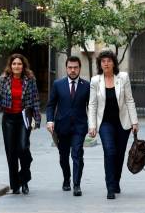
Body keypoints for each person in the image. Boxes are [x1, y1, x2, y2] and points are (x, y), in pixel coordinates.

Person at [88, 50, 139, 199]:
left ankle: (116, 181)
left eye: (109, 60)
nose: (106, 63)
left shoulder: (123, 78)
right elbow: (92, 104)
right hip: (104, 123)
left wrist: (134, 121)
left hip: (123, 122)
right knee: (109, 151)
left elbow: (129, 100)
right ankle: (110, 187)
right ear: (100, 64)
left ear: (114, 63)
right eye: (103, 61)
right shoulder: (95, 81)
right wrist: (92, 125)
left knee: (119, 154)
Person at [0, 53, 41, 195]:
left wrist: (37, 119)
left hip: (24, 118)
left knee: (23, 148)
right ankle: (16, 185)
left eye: (19, 64)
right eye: (14, 64)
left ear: (23, 66)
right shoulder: (3, 79)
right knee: (11, 152)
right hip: (9, 119)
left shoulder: (30, 79)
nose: (16, 66)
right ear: (10, 66)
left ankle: (24, 178)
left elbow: (35, 99)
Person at [46, 56, 90, 197]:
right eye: (70, 67)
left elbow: (92, 106)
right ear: (66, 68)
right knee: (63, 157)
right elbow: (51, 105)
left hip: (79, 126)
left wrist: (93, 124)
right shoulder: (58, 84)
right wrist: (50, 120)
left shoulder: (87, 85)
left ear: (79, 68)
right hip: (62, 126)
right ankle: (66, 178)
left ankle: (77, 184)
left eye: (75, 67)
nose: (72, 70)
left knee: (77, 154)